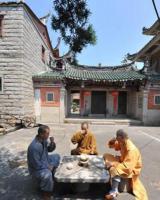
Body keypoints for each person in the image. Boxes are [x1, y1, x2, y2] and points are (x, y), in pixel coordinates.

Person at [103, 129, 148, 200]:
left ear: (122, 138)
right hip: (122, 161)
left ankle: (114, 192)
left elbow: (128, 167)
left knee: (114, 170)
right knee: (106, 155)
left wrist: (112, 164)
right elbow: (113, 146)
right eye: (117, 139)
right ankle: (113, 182)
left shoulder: (132, 150)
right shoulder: (122, 142)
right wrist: (113, 141)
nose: (118, 141)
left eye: (119, 140)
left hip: (131, 169)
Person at [27, 125, 60, 200]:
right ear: (41, 134)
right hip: (36, 169)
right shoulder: (34, 147)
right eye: (47, 134)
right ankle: (46, 194)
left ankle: (51, 174)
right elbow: (35, 164)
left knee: (57, 156)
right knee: (47, 175)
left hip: (45, 160)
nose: (48, 135)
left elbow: (50, 150)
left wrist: (52, 142)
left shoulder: (43, 140)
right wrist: (48, 166)